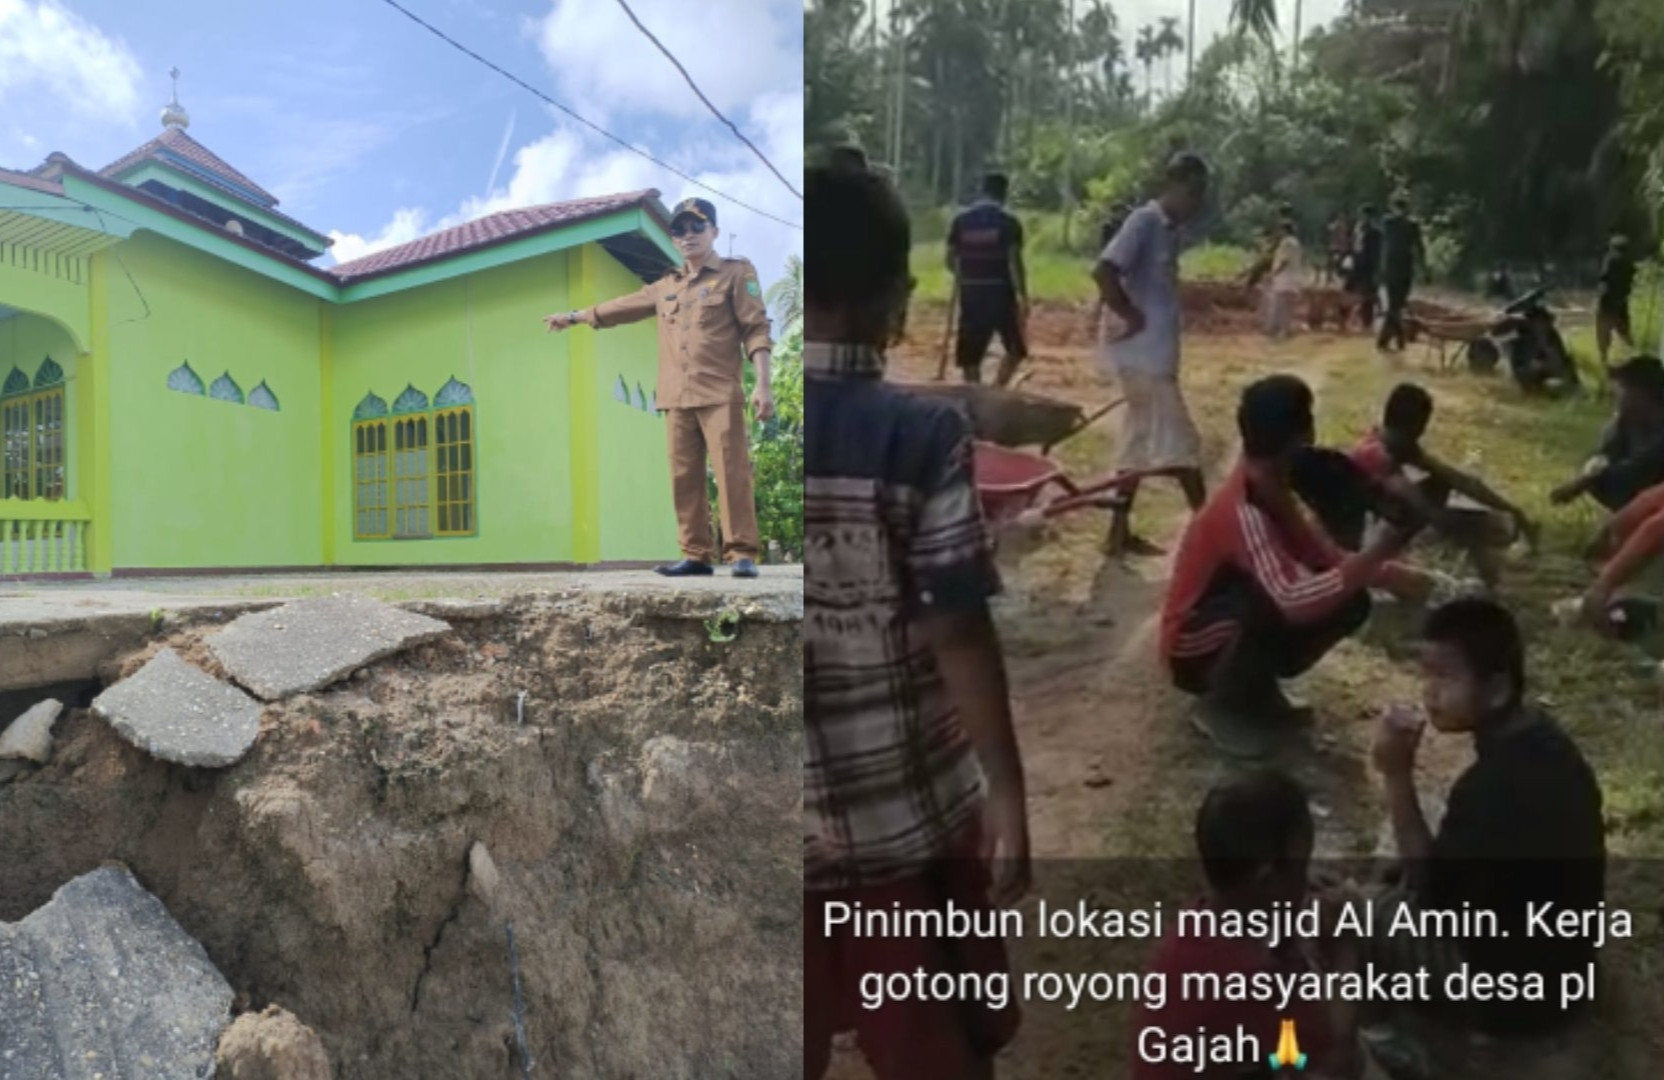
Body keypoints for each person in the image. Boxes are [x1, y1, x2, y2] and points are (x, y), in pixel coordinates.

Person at [803, 163, 1031, 1080]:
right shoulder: (920, 436)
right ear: (893, 299)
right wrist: (1011, 794)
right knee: (935, 1053)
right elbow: (959, 633)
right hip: (905, 834)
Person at [1369, 598, 1605, 1044]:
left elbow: (1432, 900)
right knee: (1429, 814)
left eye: (1446, 677)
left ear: (1496, 689)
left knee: (1348, 910)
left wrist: (1396, 775)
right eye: (1427, 674)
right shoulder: (1546, 740)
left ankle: (1377, 1025)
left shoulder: (1490, 788)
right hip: (1567, 965)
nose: (1430, 692)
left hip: (1511, 997)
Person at [1161, 375, 1427, 758]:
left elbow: (1323, 555)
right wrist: (1373, 555)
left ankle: (1256, 689)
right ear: (1302, 434)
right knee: (1268, 599)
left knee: (1349, 598)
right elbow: (1290, 600)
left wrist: (1396, 575)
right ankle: (1220, 703)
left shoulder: (1274, 487)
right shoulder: (1243, 507)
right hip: (1188, 647)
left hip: (1217, 622)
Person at [544, 197, 772, 578]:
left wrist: (763, 384)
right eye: (679, 229)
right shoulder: (666, 286)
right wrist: (573, 317)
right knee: (683, 478)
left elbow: (756, 329)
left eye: (697, 227)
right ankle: (696, 555)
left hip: (719, 393)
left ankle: (741, 554)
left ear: (714, 231)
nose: (688, 236)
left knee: (731, 472)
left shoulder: (735, 273)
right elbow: (620, 307)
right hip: (675, 397)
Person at [1131, 770, 1369, 1079]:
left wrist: (1292, 896)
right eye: (1302, 867)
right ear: (1267, 880)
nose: (1307, 881)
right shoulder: (1248, 977)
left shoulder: (1200, 921)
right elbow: (1337, 1056)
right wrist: (1346, 949)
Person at [1093, 152, 1212, 558]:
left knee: (1137, 445)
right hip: (1145, 362)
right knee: (1183, 449)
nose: (1197, 204)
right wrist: (1130, 316)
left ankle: (1117, 534)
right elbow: (1104, 270)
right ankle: (1215, 538)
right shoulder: (1144, 222)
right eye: (1193, 193)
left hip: (1152, 361)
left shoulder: (1168, 230)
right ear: (1174, 185)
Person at [1337, 383, 1534, 588]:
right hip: (1355, 541)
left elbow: (1458, 480)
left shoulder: (1393, 443)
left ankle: (1488, 576)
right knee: (1457, 514)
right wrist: (1472, 527)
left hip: (1371, 528)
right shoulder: (1376, 455)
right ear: (1418, 426)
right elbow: (1420, 505)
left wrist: (1510, 509)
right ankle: (1489, 580)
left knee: (1442, 488)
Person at [1550, 354, 1664, 512]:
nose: (1616, 396)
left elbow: (1635, 471)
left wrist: (1585, 482)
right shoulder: (1628, 419)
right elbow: (1605, 452)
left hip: (1650, 492)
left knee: (1609, 480)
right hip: (1634, 486)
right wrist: (1587, 475)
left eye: (1622, 389)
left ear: (1641, 392)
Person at [946, 172, 1029, 386]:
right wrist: (1023, 295)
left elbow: (949, 259)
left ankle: (975, 394)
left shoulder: (960, 221)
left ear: (982, 190)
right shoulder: (1009, 223)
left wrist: (966, 275)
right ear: (1004, 194)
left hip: (971, 291)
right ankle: (997, 389)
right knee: (1015, 348)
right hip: (1000, 291)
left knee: (969, 354)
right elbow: (1015, 261)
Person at [1376, 196, 1426, 352]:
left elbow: (1384, 247)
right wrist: (1424, 269)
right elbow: (1420, 249)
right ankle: (1397, 339)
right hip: (1404, 268)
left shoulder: (1389, 222)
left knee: (1394, 305)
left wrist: (1380, 269)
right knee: (1396, 305)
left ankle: (1390, 339)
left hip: (1393, 268)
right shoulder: (1411, 225)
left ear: (1394, 207)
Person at [1597, 234, 1637, 367]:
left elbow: (1604, 280)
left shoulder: (1610, 260)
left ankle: (1604, 361)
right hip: (1621, 302)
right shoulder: (1629, 263)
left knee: (1603, 333)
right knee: (1625, 332)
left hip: (1607, 302)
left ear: (1613, 248)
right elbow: (1630, 283)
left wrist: (1598, 298)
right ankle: (1635, 355)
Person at [1264, 219, 1304, 340]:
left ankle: (1274, 329)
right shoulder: (1296, 243)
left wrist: (1274, 273)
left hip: (1284, 279)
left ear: (1283, 230)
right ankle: (1285, 329)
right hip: (1293, 279)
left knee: (1278, 305)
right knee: (1287, 307)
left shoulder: (1286, 243)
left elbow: (1284, 261)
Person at [1346, 205, 1383, 333]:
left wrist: (1377, 271)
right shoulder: (1358, 230)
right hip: (1357, 265)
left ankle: (1367, 324)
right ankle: (1350, 319)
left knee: (1368, 297)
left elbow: (1377, 253)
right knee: (1348, 292)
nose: (1363, 218)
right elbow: (1354, 247)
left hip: (1369, 267)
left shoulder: (1376, 233)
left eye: (1365, 215)